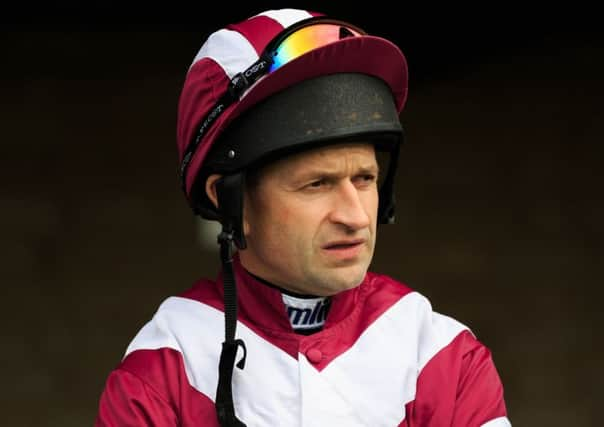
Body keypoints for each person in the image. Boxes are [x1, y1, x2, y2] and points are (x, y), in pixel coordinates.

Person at [95, 8, 511, 427]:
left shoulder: (444, 356)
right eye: (317, 184)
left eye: (364, 178)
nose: (356, 217)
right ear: (228, 200)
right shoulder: (164, 370)